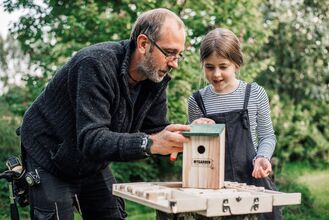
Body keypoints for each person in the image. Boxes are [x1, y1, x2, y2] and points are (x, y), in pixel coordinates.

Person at [20, 8, 190, 220]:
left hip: (92, 161)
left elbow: (154, 131)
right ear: (143, 43)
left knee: (112, 215)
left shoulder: (155, 79)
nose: (174, 63)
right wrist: (150, 143)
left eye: (179, 55)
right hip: (49, 155)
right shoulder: (95, 64)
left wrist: (190, 137)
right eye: (169, 52)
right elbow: (92, 138)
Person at [188, 28, 282, 219]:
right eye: (209, 67)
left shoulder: (255, 93)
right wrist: (194, 129)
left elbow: (267, 136)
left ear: (237, 64)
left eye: (223, 66)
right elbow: (194, 151)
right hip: (213, 188)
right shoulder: (197, 101)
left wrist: (263, 157)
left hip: (253, 183)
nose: (216, 74)